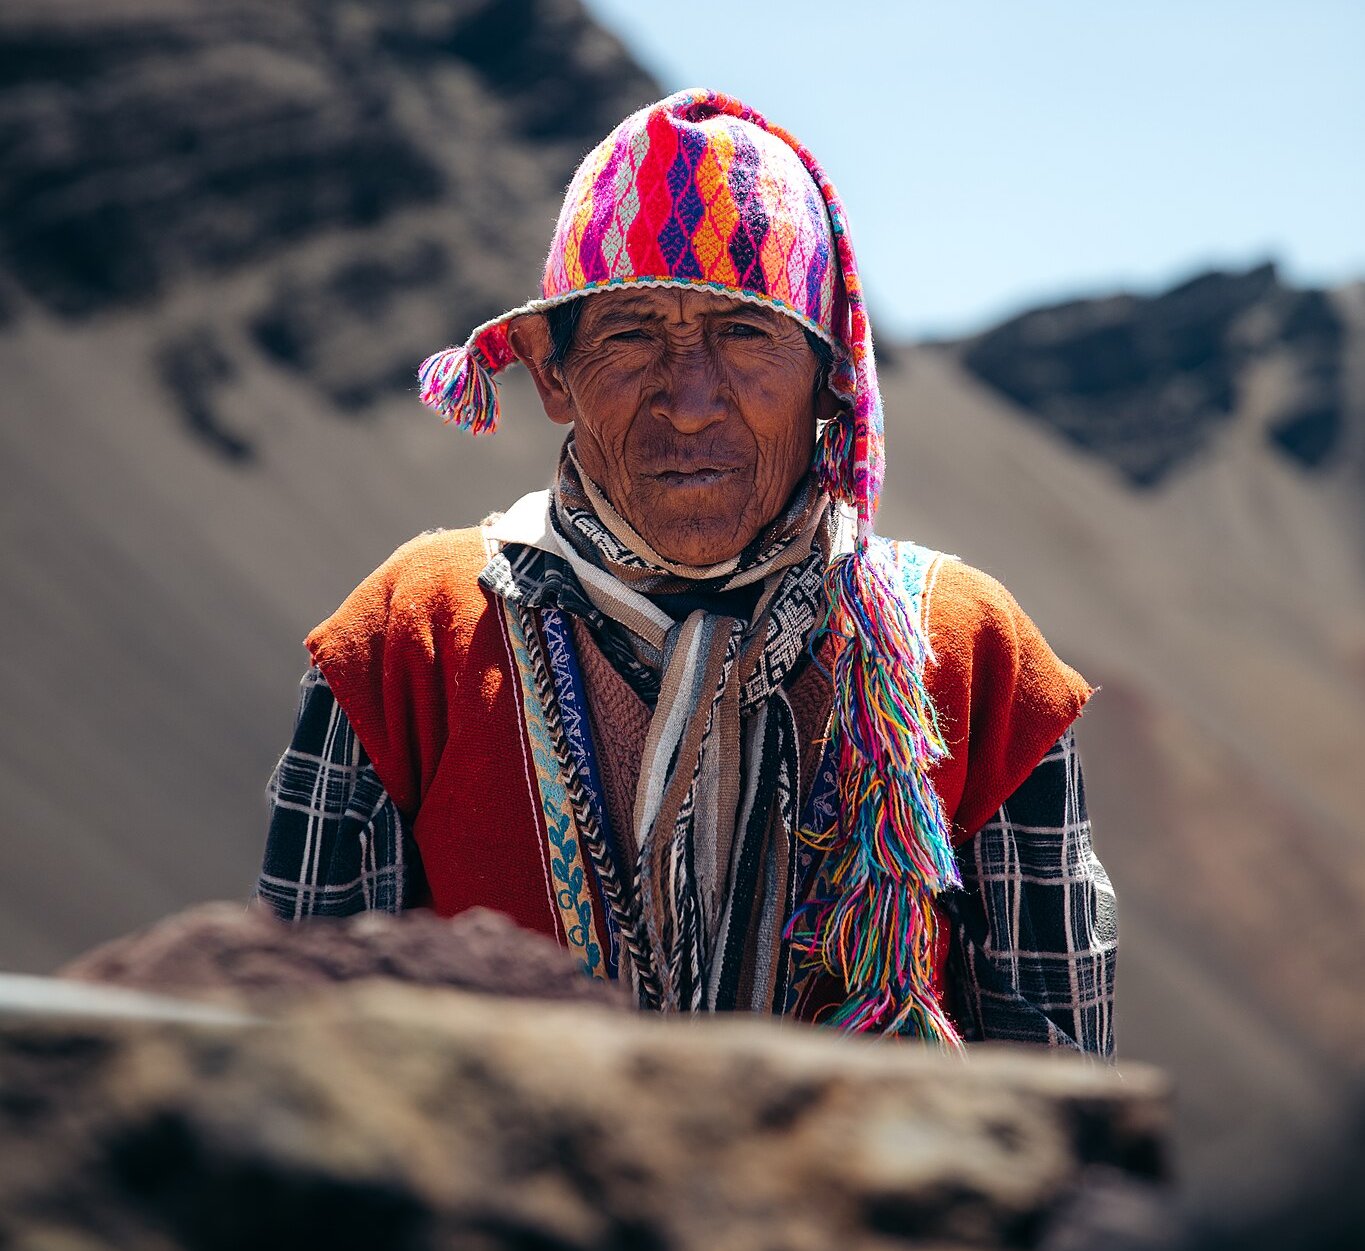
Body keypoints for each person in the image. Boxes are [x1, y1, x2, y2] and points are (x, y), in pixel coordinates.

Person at [255, 88, 1117, 1057]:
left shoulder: (968, 654)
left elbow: (1058, 1091)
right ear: (551, 373)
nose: (693, 398)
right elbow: (300, 1058)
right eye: (631, 333)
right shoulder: (409, 637)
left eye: (746, 334)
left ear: (832, 378)